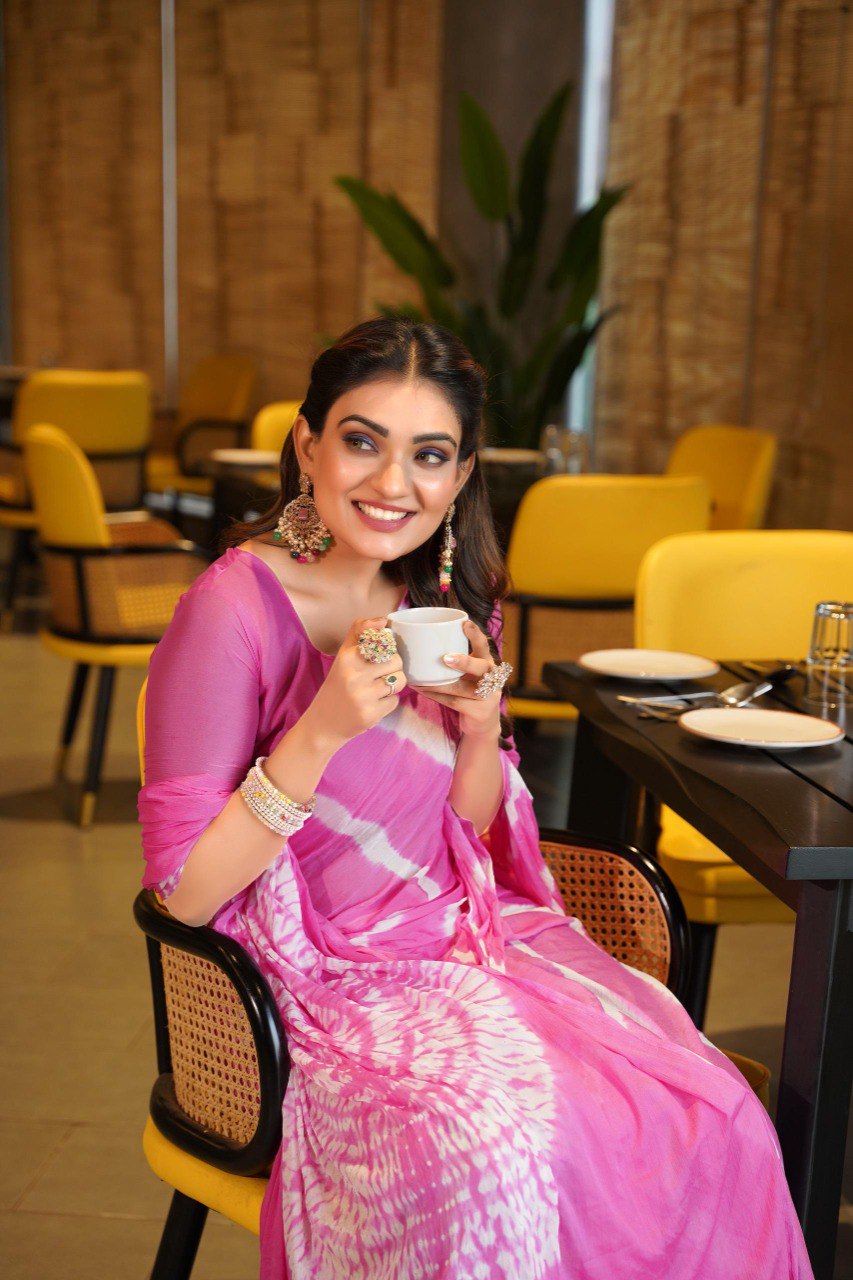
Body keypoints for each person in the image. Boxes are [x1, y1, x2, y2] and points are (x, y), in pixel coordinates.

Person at [139, 318, 812, 1280]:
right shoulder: (230, 611)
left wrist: (482, 724)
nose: (392, 483)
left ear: (458, 478)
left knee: (713, 1110)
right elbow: (185, 896)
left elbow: (473, 833)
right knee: (487, 1154)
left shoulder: (447, 603)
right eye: (362, 441)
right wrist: (318, 734)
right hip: (308, 982)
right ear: (308, 443)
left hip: (466, 937)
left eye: (429, 456)